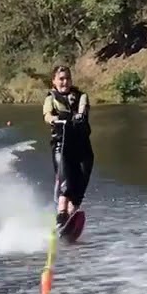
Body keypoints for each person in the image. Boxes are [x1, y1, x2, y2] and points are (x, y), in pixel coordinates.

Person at [42, 65, 94, 230]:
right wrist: (53, 119)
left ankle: (72, 212)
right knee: (66, 180)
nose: (65, 82)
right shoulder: (51, 98)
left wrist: (80, 115)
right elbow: (47, 114)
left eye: (68, 78)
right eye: (61, 79)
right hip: (62, 144)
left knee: (81, 180)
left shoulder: (81, 96)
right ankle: (62, 212)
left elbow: (83, 108)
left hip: (81, 145)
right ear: (54, 81)